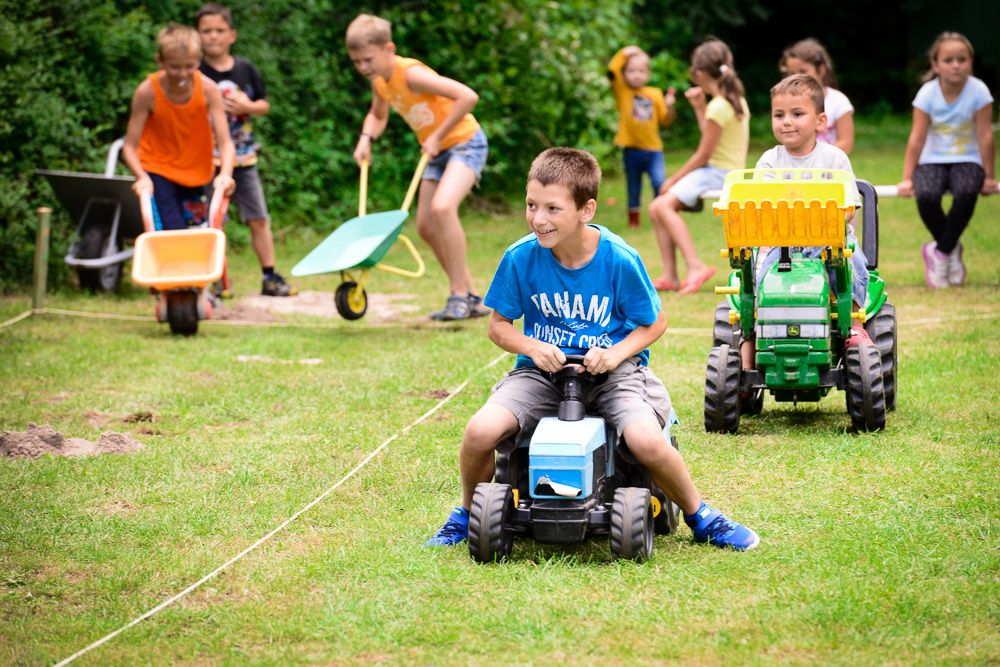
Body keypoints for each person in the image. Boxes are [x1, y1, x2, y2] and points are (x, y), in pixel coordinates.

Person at [425, 147, 759, 552]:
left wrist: (616, 354)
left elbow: (655, 323)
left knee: (645, 440)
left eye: (553, 208)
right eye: (531, 205)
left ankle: (700, 516)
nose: (538, 219)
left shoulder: (618, 259)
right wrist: (533, 346)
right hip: (540, 374)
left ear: (586, 210)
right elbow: (498, 327)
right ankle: (465, 514)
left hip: (613, 374)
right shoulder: (520, 257)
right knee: (480, 431)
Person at [345, 14, 489, 321]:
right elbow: (377, 116)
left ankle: (458, 295)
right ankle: (471, 296)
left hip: (465, 143)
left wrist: (437, 135)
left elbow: (467, 96)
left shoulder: (411, 74)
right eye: (357, 62)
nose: (363, 67)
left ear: (389, 48)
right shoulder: (380, 82)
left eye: (368, 59)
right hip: (436, 152)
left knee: (442, 208)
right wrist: (366, 138)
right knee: (425, 225)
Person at [741, 74, 873, 371]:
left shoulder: (834, 159)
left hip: (830, 241)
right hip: (782, 244)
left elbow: (849, 208)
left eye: (797, 114)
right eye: (779, 115)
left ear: (820, 121)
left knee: (852, 261)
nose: (786, 122)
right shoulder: (769, 162)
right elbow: (762, 206)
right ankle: (751, 342)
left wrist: (824, 222)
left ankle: (853, 324)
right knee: (759, 277)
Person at [195, 3, 296, 298]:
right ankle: (215, 279)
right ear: (198, 36)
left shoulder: (245, 69)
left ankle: (270, 277)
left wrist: (246, 106)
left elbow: (264, 104)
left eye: (219, 30)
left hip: (244, 158)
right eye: (206, 31)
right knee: (213, 220)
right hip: (207, 160)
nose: (213, 36)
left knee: (259, 218)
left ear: (232, 35)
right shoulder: (195, 71)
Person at [647, 39, 749, 294]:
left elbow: (704, 154)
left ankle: (695, 266)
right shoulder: (733, 100)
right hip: (727, 172)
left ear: (700, 73)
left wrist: (673, 179)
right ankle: (670, 275)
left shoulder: (719, 106)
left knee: (662, 205)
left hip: (717, 173)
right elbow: (711, 137)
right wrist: (700, 108)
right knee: (656, 208)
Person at [897, 32, 996, 289]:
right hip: (931, 160)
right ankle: (950, 247)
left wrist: (989, 176)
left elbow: (985, 135)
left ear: (970, 62)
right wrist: (907, 178)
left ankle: (940, 252)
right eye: (949, 60)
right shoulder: (927, 94)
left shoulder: (979, 91)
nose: (956, 65)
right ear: (935, 64)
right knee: (927, 195)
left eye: (962, 59)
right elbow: (917, 137)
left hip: (968, 159)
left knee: (966, 191)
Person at [122, 24, 234, 231]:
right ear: (160, 60)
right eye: (174, 67)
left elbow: (226, 143)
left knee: (199, 234)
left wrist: (225, 174)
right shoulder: (147, 92)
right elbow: (129, 146)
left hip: (198, 173)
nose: (182, 74)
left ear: (198, 60)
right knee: (172, 233)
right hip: (158, 170)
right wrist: (141, 177)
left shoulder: (209, 90)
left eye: (190, 66)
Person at [607, 45, 676, 228]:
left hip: (654, 150)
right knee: (634, 187)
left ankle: (661, 215)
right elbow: (612, 69)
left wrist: (670, 106)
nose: (636, 75)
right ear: (624, 74)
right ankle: (634, 222)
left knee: (659, 182)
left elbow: (666, 120)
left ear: (648, 74)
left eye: (641, 71)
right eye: (631, 71)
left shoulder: (655, 93)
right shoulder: (622, 91)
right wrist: (628, 51)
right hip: (631, 150)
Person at [779, 38, 854, 154]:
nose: (797, 77)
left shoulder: (838, 101)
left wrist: (816, 158)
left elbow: (846, 142)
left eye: (803, 71)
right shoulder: (788, 101)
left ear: (821, 70)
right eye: (791, 73)